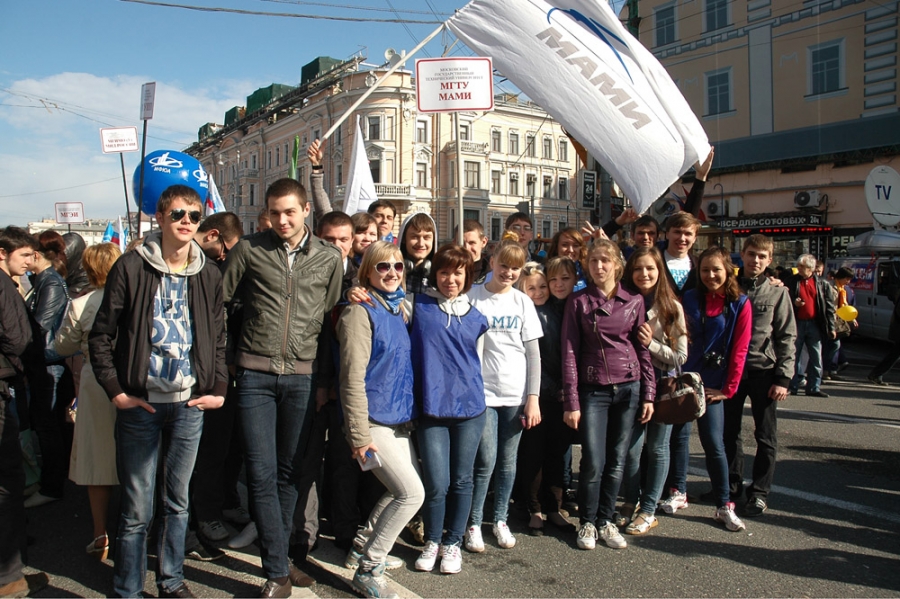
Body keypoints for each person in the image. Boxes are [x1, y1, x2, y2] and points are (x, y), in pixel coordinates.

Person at [89, 185, 228, 598]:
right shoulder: (132, 267)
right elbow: (101, 335)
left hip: (189, 405)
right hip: (141, 405)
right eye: (178, 214)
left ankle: (171, 581)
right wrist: (116, 391)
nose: (186, 222)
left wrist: (219, 388)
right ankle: (128, 588)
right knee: (137, 509)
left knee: (177, 503)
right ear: (160, 218)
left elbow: (219, 337)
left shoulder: (208, 273)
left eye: (194, 216)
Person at [223, 177, 342, 598]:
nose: (282, 220)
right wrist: (226, 362)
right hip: (254, 376)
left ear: (306, 210)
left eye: (290, 212)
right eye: (274, 213)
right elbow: (222, 305)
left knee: (290, 471)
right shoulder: (249, 249)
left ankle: (282, 557)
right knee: (261, 472)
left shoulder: (329, 257)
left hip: (302, 379)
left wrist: (323, 381)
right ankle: (276, 570)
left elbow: (328, 321)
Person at [336, 241, 424, 597]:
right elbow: (351, 377)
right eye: (382, 267)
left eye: (397, 266)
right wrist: (359, 435)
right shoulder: (359, 312)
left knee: (402, 489)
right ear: (367, 272)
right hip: (372, 421)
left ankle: (361, 547)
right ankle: (369, 568)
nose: (391, 273)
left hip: (397, 417)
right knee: (411, 494)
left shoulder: (397, 308)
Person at [561, 239, 654, 551]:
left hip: (629, 386)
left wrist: (649, 394)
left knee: (617, 460)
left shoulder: (635, 301)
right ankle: (587, 521)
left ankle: (606, 519)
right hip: (593, 388)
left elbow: (642, 349)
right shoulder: (578, 301)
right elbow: (569, 352)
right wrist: (571, 400)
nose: (599, 266)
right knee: (593, 460)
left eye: (605, 260)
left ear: (617, 264)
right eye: (593, 261)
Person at [411, 244, 489, 575]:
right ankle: (433, 540)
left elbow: (479, 362)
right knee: (436, 482)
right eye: (444, 272)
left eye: (458, 273)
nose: (450, 279)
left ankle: (453, 542)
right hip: (431, 409)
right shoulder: (418, 306)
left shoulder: (477, 316)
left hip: (470, 409)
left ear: (467, 276)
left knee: (461, 480)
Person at [664, 247, 751, 532]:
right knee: (679, 438)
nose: (711, 275)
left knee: (714, 443)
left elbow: (740, 348)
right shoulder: (689, 298)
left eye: (716, 270)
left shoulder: (740, 303)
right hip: (686, 379)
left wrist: (729, 389)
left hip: (714, 383)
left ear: (728, 271)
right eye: (705, 270)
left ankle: (724, 504)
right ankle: (678, 491)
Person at [465, 237, 542, 553]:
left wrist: (533, 397)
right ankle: (473, 523)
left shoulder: (522, 302)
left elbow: (533, 354)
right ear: (492, 262)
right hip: (482, 394)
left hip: (515, 394)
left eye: (515, 268)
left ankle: (500, 519)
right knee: (485, 461)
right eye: (504, 266)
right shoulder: (473, 296)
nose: (508, 273)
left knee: (508, 463)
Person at [51, 242, 122, 561]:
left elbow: (62, 346)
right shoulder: (133, 299)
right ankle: (136, 527)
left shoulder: (80, 304)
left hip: (95, 381)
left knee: (97, 461)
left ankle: (99, 532)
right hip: (130, 379)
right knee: (134, 457)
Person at [722, 235, 797, 518]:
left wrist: (783, 378)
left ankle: (760, 493)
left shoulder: (777, 293)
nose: (756, 260)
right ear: (742, 254)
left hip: (763, 370)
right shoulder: (729, 287)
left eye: (762, 256)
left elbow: (787, 336)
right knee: (729, 432)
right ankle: (731, 488)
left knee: (765, 435)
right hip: (731, 371)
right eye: (751, 254)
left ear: (770, 260)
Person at [619, 247, 687, 535]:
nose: (644, 274)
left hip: (661, 386)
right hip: (629, 384)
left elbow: (680, 357)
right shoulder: (621, 300)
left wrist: (652, 344)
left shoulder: (671, 307)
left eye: (650, 268)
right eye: (637, 268)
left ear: (660, 271)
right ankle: (630, 501)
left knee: (658, 448)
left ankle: (648, 510)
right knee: (631, 450)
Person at [190, 212, 246, 548]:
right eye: (226, 250)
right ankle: (204, 515)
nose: (227, 258)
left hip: (227, 372)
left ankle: (224, 502)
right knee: (209, 451)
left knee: (229, 446)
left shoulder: (217, 266)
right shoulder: (198, 269)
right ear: (213, 236)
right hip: (204, 374)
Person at [0, 226, 49, 598]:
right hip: (4, 385)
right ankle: (9, 576)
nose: (31, 262)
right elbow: (20, 338)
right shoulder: (4, 286)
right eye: (25, 255)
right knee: (7, 480)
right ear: (2, 253)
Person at [513, 260, 577, 536]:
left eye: (542, 286)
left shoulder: (560, 309)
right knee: (532, 453)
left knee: (557, 453)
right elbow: (530, 359)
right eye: (532, 288)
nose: (538, 292)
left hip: (561, 394)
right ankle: (535, 508)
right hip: (535, 394)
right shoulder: (523, 313)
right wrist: (543, 390)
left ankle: (554, 507)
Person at [23, 229, 73, 509]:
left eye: (26, 255)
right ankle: (51, 481)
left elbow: (39, 326)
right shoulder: (42, 280)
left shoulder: (50, 282)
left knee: (48, 428)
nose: (23, 261)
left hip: (49, 364)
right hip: (47, 363)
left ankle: (52, 486)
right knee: (49, 427)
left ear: (36, 255)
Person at [786, 254, 836, 398]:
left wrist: (831, 327)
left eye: (802, 267)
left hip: (815, 323)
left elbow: (829, 307)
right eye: (798, 266)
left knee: (816, 357)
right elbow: (784, 299)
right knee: (793, 356)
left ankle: (814, 387)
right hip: (797, 322)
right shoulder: (791, 281)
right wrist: (794, 303)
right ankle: (792, 385)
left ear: (811, 268)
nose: (799, 269)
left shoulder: (822, 284)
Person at [662, 212, 702, 297]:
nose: (682, 238)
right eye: (677, 232)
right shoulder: (654, 261)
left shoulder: (699, 265)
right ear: (667, 234)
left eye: (688, 234)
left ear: (694, 238)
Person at [825, 267, 856, 379]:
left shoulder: (843, 289)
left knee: (833, 345)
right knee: (833, 345)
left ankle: (828, 370)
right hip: (829, 320)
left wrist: (852, 318)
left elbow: (845, 305)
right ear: (841, 277)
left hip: (837, 320)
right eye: (847, 279)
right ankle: (826, 370)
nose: (848, 282)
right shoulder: (829, 286)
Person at [398, 212, 436, 295]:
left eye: (426, 237)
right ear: (404, 239)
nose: (421, 243)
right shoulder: (392, 273)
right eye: (414, 237)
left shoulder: (438, 275)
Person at [546, 228, 588, 292]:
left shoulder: (587, 271)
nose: (570, 250)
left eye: (575, 245)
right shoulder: (545, 272)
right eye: (565, 245)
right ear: (556, 247)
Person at [458, 220, 490, 285]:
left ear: (483, 242)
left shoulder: (493, 276)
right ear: (454, 242)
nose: (466, 248)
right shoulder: (446, 273)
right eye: (461, 243)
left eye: (472, 243)